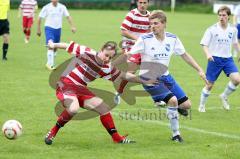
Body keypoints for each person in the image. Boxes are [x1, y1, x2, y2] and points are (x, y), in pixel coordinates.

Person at [116, 10, 207, 142]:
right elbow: (129, 55)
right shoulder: (144, 39)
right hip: (149, 78)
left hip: (166, 77)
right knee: (173, 100)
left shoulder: (172, 38)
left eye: (156, 23)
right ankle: (176, 135)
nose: (153, 26)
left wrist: (199, 69)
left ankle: (172, 107)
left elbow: (184, 55)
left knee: (186, 105)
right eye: (151, 24)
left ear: (164, 24)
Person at [44, 40, 158, 145]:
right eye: (106, 55)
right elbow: (67, 46)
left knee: (103, 108)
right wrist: (53, 45)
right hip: (66, 84)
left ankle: (117, 138)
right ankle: (52, 132)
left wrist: (144, 80)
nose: (107, 58)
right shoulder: (88, 53)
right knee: (73, 108)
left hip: (81, 88)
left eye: (110, 57)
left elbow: (124, 75)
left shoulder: (107, 68)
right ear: (101, 50)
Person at [199, 6, 240, 112]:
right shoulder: (211, 29)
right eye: (220, 15)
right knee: (209, 85)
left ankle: (224, 96)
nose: (221, 17)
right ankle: (202, 105)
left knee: (237, 79)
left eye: (224, 15)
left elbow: (235, 43)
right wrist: (208, 54)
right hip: (214, 59)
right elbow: (204, 44)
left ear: (228, 16)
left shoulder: (233, 29)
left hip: (228, 59)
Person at [114, 0, 150, 105]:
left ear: (148, 3)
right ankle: (119, 91)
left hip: (144, 47)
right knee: (132, 72)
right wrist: (138, 39)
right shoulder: (132, 14)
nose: (142, 5)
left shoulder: (150, 16)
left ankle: (158, 98)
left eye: (144, 2)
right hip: (130, 46)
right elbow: (123, 31)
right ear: (137, 3)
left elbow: (151, 31)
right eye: (140, 2)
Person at [37, 0, 76, 71]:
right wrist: (38, 29)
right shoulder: (46, 7)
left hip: (58, 29)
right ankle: (50, 64)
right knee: (50, 44)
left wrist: (72, 26)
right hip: (49, 28)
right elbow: (40, 18)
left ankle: (51, 61)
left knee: (55, 47)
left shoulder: (62, 7)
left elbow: (68, 16)